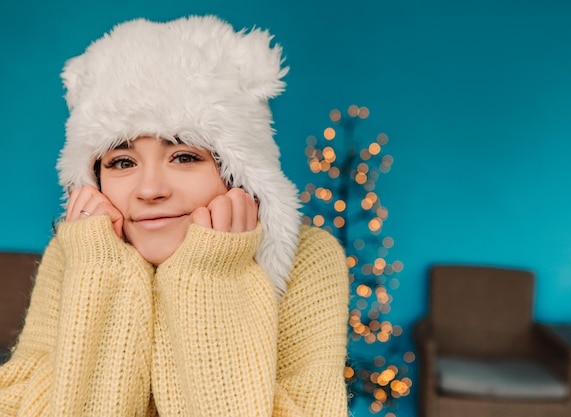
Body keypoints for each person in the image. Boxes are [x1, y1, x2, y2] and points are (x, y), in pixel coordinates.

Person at [0, 15, 349, 417]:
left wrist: (210, 278)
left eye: (184, 156)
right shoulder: (78, 253)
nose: (150, 190)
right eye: (122, 162)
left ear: (238, 174)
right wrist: (101, 276)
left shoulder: (308, 258)